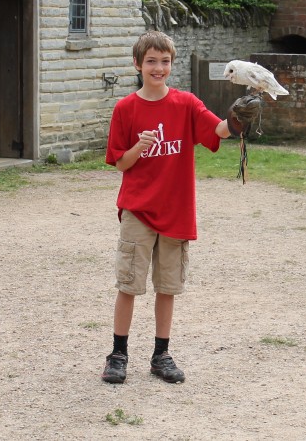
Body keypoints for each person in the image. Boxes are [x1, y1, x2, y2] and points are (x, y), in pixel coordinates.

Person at [101, 31, 237, 385]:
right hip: (138, 209)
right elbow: (120, 164)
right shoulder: (126, 109)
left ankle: (161, 354)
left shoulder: (186, 104)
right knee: (129, 284)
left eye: (165, 61)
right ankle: (118, 354)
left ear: (171, 65)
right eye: (151, 61)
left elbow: (218, 130)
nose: (158, 68)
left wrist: (238, 117)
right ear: (137, 64)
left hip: (176, 210)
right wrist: (139, 148)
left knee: (168, 287)